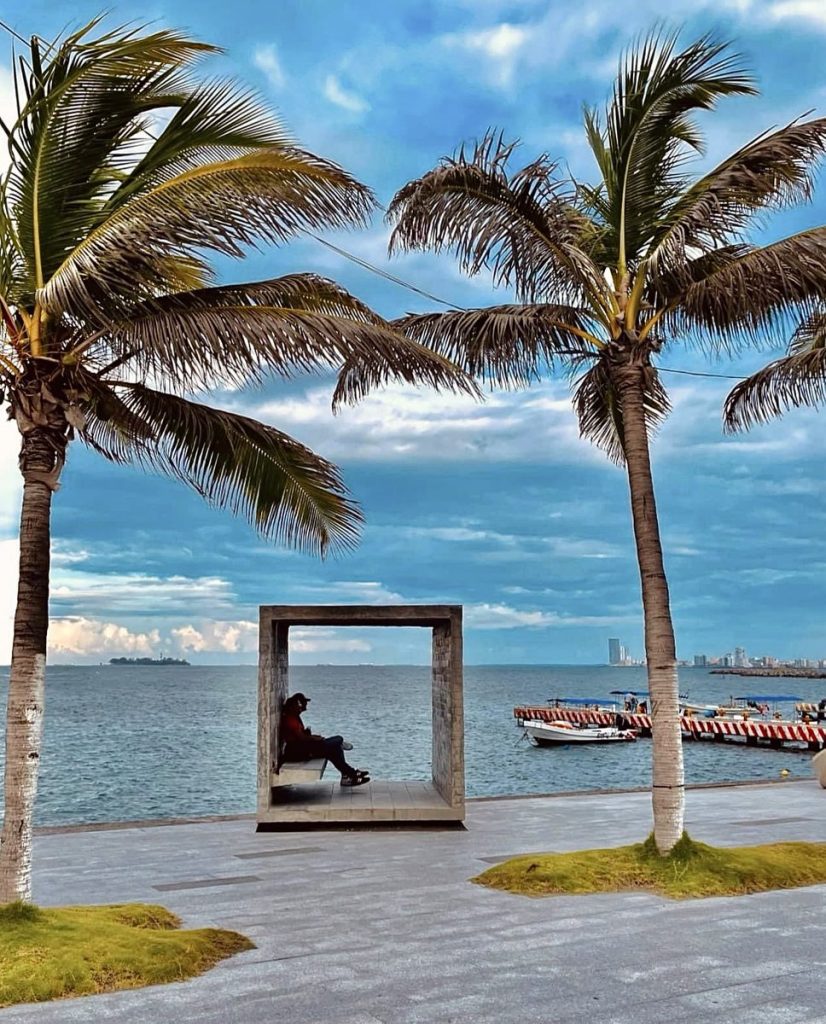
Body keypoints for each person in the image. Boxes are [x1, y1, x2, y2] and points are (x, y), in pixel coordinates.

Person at [280, 692, 369, 787]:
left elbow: (301, 736)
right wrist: (314, 738)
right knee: (338, 739)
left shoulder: (294, 717)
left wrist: (311, 736)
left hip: (305, 747)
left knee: (334, 749)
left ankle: (348, 775)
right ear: (296, 705)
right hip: (299, 751)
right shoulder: (290, 720)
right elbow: (301, 739)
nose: (304, 708)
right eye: (302, 706)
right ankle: (350, 773)